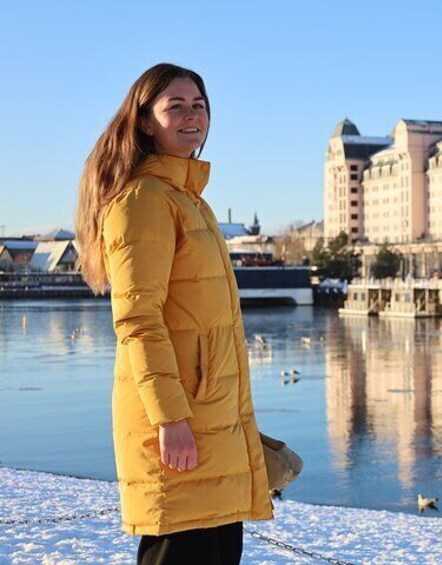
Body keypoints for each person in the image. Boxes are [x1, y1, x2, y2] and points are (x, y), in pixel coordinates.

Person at [75, 63, 273, 564]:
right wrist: (170, 419)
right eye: (176, 106)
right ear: (144, 120)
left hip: (211, 419)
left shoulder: (189, 200)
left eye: (199, 105)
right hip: (180, 424)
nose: (192, 116)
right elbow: (138, 320)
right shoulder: (143, 201)